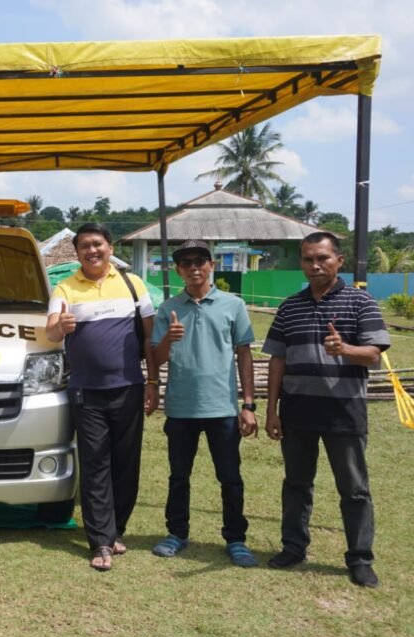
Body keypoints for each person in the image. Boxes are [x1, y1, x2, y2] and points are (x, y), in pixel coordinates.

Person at [263, 231, 390, 588]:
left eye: (322, 258)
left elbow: (375, 354)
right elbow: (277, 359)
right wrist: (271, 410)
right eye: (308, 259)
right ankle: (294, 546)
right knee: (297, 484)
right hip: (297, 412)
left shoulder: (360, 303)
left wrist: (346, 349)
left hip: (343, 413)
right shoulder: (290, 306)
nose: (315, 265)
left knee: (354, 489)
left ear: (339, 260)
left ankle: (360, 558)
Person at [46, 223, 158, 571]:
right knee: (95, 464)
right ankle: (100, 542)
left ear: (109, 247)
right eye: (84, 247)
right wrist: (59, 327)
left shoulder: (132, 283)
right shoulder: (65, 287)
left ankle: (116, 530)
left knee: (126, 464)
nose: (91, 251)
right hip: (85, 392)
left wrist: (152, 381)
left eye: (97, 244)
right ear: (76, 253)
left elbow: (150, 338)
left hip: (129, 387)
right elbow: (50, 331)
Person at [150, 240, 258, 567]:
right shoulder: (169, 307)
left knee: (230, 477)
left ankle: (236, 538)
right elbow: (156, 357)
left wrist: (249, 404)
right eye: (186, 263)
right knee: (179, 476)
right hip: (181, 407)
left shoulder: (233, 305)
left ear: (211, 265)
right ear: (178, 270)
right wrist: (170, 336)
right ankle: (177, 533)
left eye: (200, 261)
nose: (194, 268)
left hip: (222, 408)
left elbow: (244, 354)